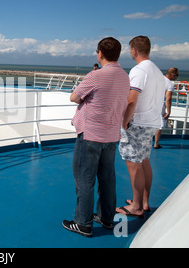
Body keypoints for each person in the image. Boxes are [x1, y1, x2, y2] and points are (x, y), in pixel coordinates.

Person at [62, 37, 130, 237]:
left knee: (84, 179)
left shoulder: (96, 75)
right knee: (107, 179)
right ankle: (107, 218)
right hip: (111, 136)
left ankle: (83, 223)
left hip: (90, 135)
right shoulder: (124, 77)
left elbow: (74, 97)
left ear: (100, 52)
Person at [117, 36, 166, 218]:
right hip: (152, 122)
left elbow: (131, 101)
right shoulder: (157, 72)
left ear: (133, 50)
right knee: (144, 161)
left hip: (137, 123)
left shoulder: (139, 71)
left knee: (133, 163)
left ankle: (136, 206)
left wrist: (123, 123)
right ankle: (144, 202)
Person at [154, 68, 179, 149]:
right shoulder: (170, 84)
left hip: (148, 102)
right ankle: (156, 144)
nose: (177, 77)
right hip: (159, 104)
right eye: (177, 75)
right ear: (172, 75)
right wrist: (168, 112)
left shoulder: (158, 79)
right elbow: (168, 99)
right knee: (160, 125)